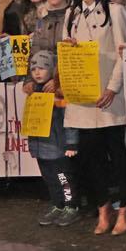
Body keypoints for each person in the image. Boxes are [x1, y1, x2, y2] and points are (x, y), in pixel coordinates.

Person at [61, 0, 126, 236]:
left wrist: (113, 87)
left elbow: (123, 53)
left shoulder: (114, 12)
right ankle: (103, 207)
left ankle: (124, 206)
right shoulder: (72, 14)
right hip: (83, 99)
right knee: (91, 157)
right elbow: (66, 52)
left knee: (117, 155)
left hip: (108, 96)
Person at [24, 49, 81, 227]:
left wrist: (71, 143)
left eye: (42, 68)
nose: (37, 73)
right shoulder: (34, 92)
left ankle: (71, 205)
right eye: (33, 70)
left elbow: (68, 118)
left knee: (64, 178)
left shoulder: (59, 93)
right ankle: (57, 204)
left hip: (58, 146)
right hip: (41, 146)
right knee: (49, 178)